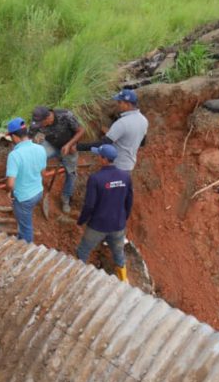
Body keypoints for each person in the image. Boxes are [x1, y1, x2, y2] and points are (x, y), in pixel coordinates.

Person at [76, 144, 133, 283]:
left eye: (99, 155)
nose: (98, 157)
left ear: (103, 159)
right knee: (118, 254)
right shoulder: (125, 176)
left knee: (83, 251)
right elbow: (129, 201)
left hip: (98, 225)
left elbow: (89, 205)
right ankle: (124, 281)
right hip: (118, 225)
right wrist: (123, 218)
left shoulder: (96, 179)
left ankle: (78, 280)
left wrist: (81, 221)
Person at [30, 106, 85, 213]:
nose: (39, 126)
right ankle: (34, 189)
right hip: (51, 144)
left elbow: (81, 130)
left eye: (41, 123)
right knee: (36, 157)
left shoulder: (65, 115)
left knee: (71, 173)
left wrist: (71, 145)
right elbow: (29, 138)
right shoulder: (36, 121)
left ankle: (66, 198)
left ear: (48, 118)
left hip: (68, 147)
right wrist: (35, 140)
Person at [78, 89, 148, 173]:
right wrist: (114, 134)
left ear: (128, 104)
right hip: (129, 165)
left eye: (120, 102)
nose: (117, 105)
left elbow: (103, 144)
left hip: (116, 165)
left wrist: (79, 147)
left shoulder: (122, 123)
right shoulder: (144, 120)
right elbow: (142, 142)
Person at [5, 117, 47, 243]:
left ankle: (27, 247)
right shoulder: (40, 149)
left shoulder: (14, 155)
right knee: (25, 219)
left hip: (24, 199)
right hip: (38, 192)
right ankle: (22, 236)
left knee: (26, 228)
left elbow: (10, 183)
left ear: (14, 137)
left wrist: (9, 192)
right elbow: (43, 173)